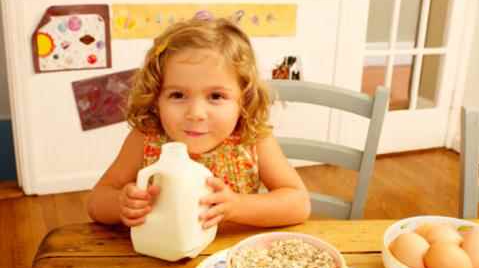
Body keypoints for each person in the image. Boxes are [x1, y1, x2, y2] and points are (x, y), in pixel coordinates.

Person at [87, 17, 311, 228]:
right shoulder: (147, 138)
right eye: (177, 95)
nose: (195, 114)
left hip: (230, 257)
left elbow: (298, 203)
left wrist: (237, 206)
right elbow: (96, 202)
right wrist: (120, 204)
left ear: (244, 98)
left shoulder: (252, 139)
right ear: (156, 98)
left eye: (215, 96)